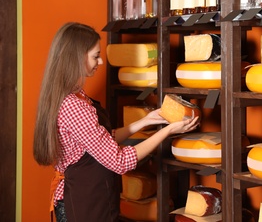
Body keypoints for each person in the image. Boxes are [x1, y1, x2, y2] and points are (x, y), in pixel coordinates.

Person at [33, 22, 199, 222]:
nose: (101, 62)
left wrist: (143, 122)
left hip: (91, 199)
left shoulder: (74, 97)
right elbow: (119, 161)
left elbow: (98, 142)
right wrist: (167, 131)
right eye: (96, 56)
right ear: (77, 57)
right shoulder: (75, 107)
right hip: (82, 203)